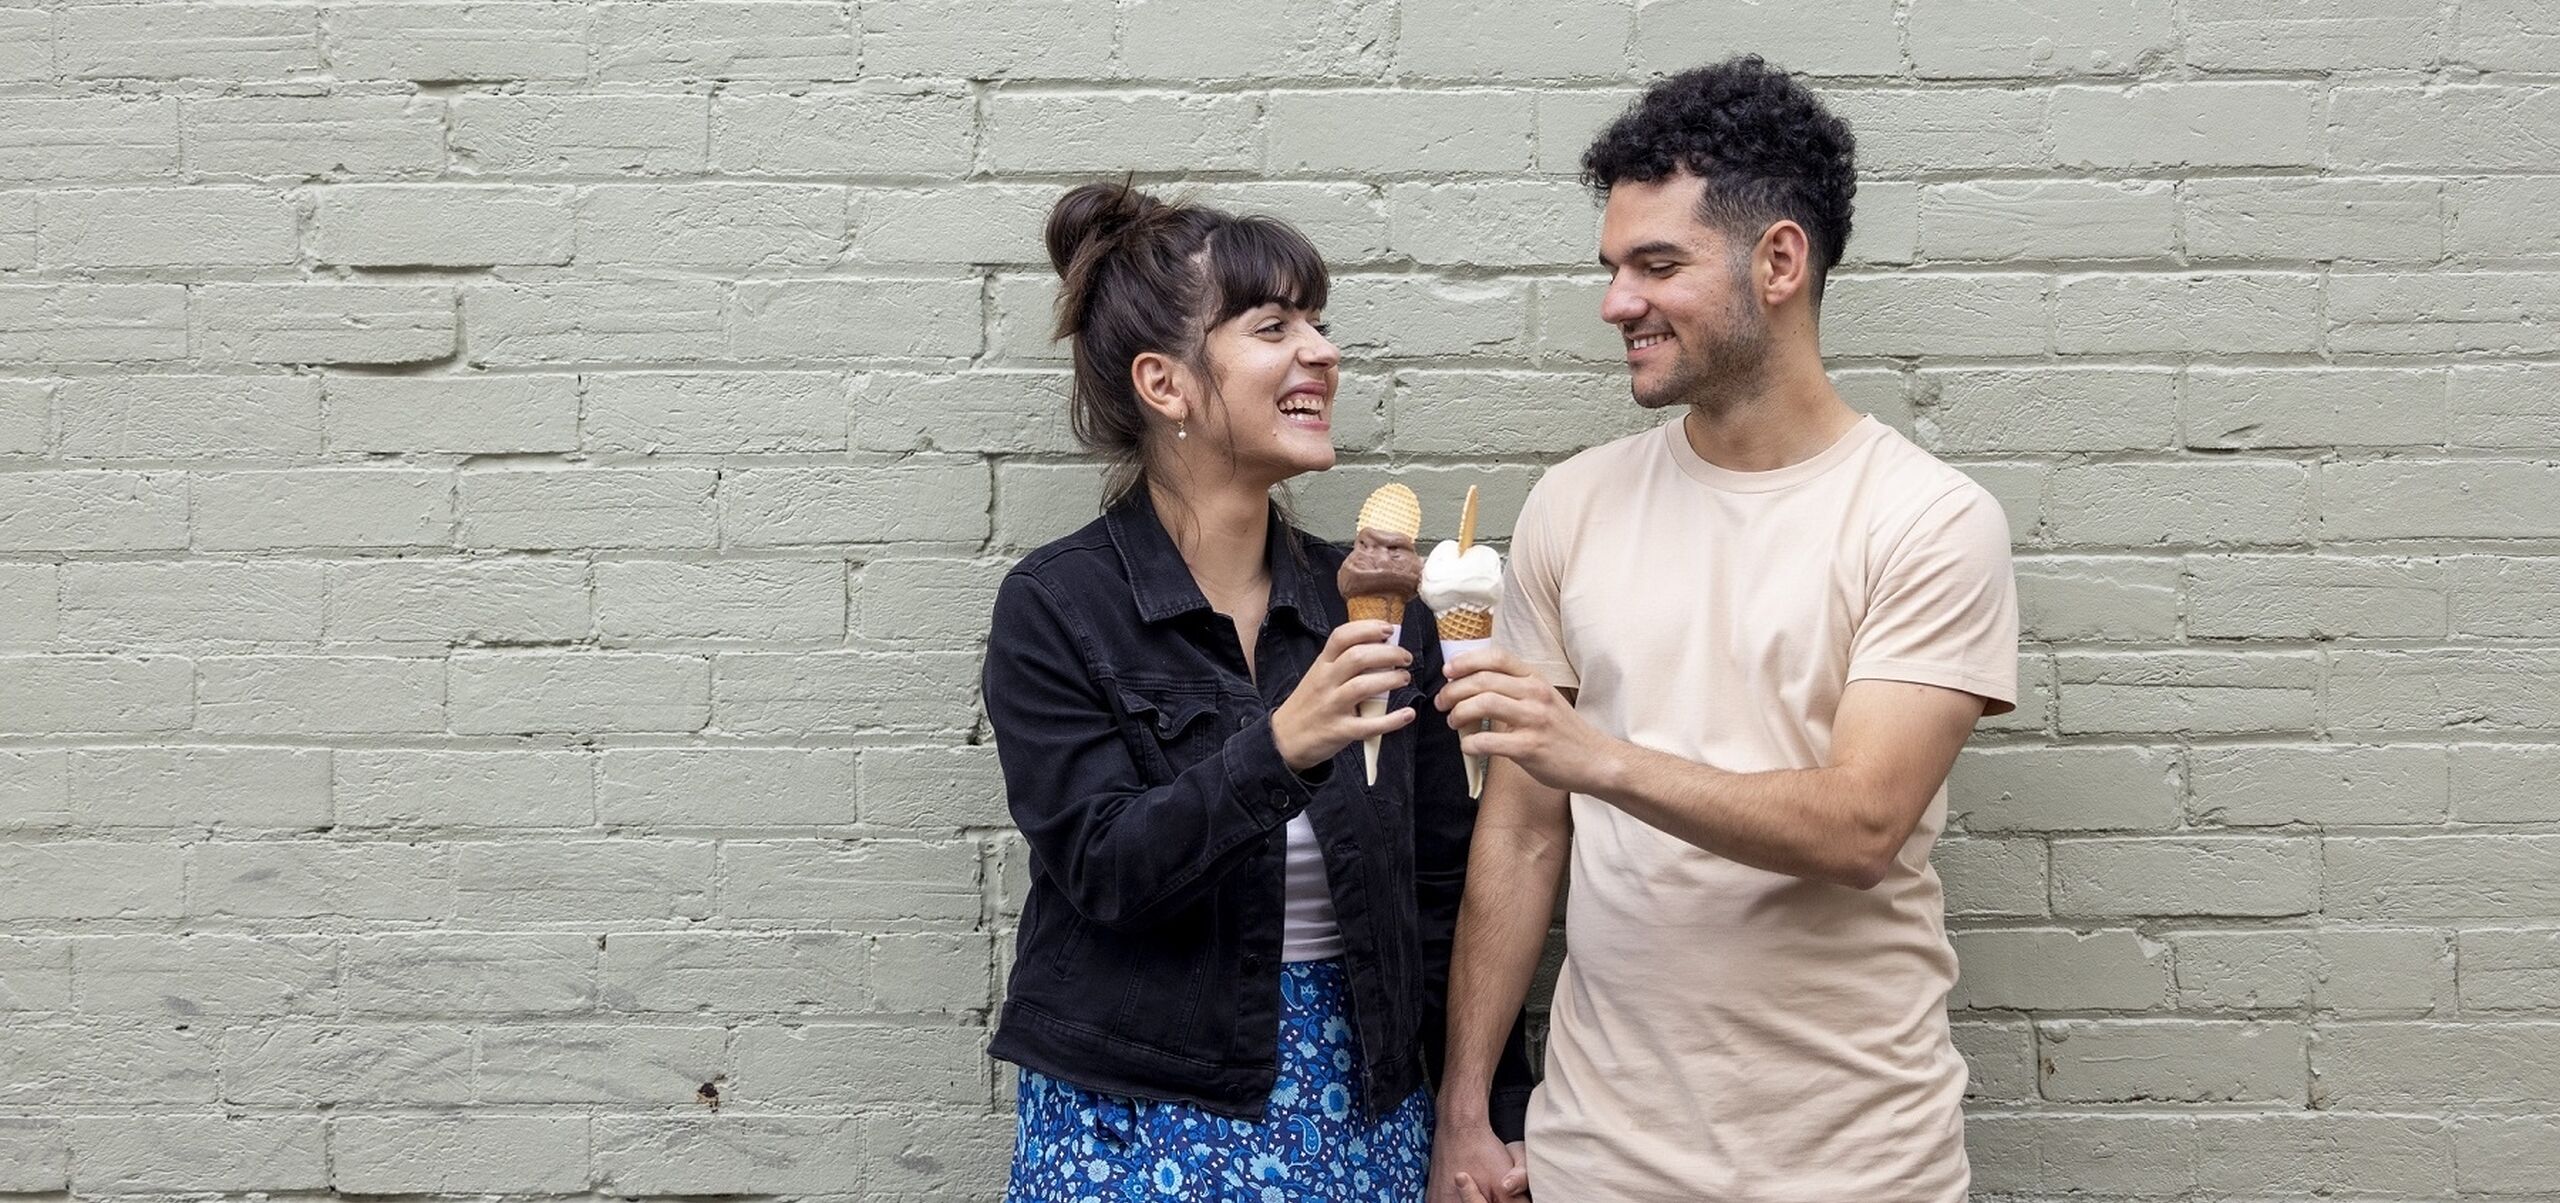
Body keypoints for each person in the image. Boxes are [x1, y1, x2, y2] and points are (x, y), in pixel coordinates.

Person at [1427, 57, 2020, 1203]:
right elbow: (1522, 834)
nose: (1615, 303)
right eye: (1611, 268)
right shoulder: (1574, 503)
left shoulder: (1929, 521)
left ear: (1779, 262)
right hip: (1599, 1159)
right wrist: (1465, 1113)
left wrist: (1593, 755)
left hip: (1859, 1168)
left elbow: (1860, 827)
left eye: (1657, 265)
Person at [982, 181, 1536, 1203]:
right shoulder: (1057, 608)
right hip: (1138, 1117)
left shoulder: (1372, 607)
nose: (1321, 352)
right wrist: (1279, 747)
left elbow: (1444, 894)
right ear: (1165, 384)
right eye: (1273, 326)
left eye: (1319, 324)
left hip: (1360, 1103)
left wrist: (1486, 1114)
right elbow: (1102, 870)